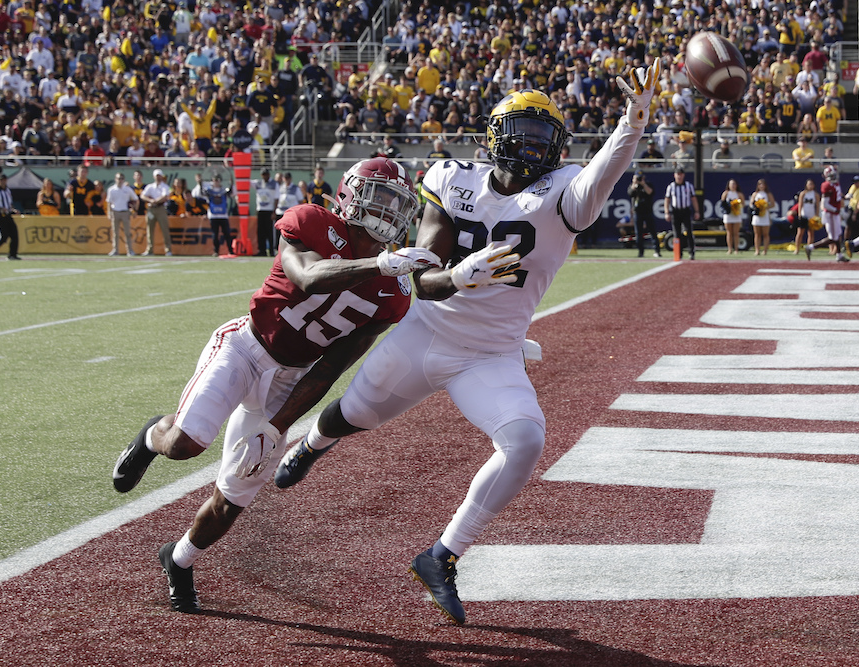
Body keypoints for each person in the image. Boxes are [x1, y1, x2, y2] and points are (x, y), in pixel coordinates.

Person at [273, 68, 662, 626]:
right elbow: (422, 282)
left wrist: (632, 122)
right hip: (427, 331)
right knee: (351, 415)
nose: (530, 146)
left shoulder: (566, 193)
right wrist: (461, 276)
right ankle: (311, 445)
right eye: (521, 132)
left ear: (556, 150)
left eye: (541, 137)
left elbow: (604, 172)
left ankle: (441, 556)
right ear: (495, 134)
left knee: (525, 440)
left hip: (492, 353)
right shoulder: (454, 179)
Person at [112, 157, 438, 614]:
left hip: (291, 379)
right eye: (379, 197)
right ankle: (152, 435)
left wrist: (279, 425)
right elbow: (307, 276)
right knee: (186, 445)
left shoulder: (395, 293)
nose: (387, 212)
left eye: (396, 204)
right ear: (349, 193)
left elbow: (330, 367)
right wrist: (379, 265)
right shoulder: (312, 221)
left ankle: (180, 558)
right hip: (245, 348)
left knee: (234, 495)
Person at [805, 165, 848, 262]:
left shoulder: (836, 184)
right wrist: (836, 210)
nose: (834, 177)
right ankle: (811, 247)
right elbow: (825, 204)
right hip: (830, 214)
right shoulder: (827, 185)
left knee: (837, 235)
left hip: (834, 213)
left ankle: (839, 255)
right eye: (832, 175)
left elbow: (836, 197)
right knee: (833, 237)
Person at [665, 168, 699, 260]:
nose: (679, 176)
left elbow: (693, 199)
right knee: (676, 234)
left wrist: (697, 211)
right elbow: (667, 200)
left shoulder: (688, 186)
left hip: (686, 211)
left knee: (689, 232)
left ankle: (691, 253)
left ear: (683, 175)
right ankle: (678, 254)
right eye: (677, 174)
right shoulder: (671, 186)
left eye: (681, 174)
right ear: (674, 175)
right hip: (675, 212)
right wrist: (667, 212)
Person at [140, 169, 173, 256]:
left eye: (159, 176)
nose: (158, 177)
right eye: (156, 176)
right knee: (149, 229)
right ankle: (150, 250)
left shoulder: (165, 186)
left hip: (161, 208)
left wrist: (155, 201)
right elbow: (142, 195)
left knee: (164, 229)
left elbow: (165, 196)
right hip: (151, 209)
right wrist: (150, 200)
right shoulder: (150, 186)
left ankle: (168, 249)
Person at [106, 172, 138, 256]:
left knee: (127, 232)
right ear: (115, 179)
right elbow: (109, 202)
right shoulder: (111, 189)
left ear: (123, 180)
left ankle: (130, 250)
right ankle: (115, 250)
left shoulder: (127, 189)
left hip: (125, 212)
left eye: (121, 179)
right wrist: (109, 213)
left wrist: (134, 210)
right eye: (118, 178)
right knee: (115, 232)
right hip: (115, 211)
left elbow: (135, 199)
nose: (119, 180)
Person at [627, 171, 659, 258]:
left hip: (648, 211)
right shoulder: (633, 186)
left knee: (652, 231)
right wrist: (634, 183)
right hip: (638, 212)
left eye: (640, 177)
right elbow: (630, 193)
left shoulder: (647, 184)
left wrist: (643, 184)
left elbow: (650, 192)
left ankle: (657, 251)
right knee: (638, 233)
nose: (639, 179)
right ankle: (641, 252)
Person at [251, 168, 279, 256]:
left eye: (266, 174)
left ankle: (271, 250)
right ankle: (261, 250)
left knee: (269, 232)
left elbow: (276, 198)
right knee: (260, 232)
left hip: (269, 210)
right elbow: (247, 181)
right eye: (263, 175)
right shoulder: (258, 183)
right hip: (260, 210)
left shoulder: (274, 184)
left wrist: (274, 211)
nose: (264, 176)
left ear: (269, 175)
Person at [203, 175, 233, 257]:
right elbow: (201, 194)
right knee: (215, 234)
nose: (216, 181)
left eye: (217, 180)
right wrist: (199, 183)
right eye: (214, 180)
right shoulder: (209, 191)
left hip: (223, 215)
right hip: (213, 215)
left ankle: (231, 250)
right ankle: (216, 251)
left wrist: (231, 183)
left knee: (227, 233)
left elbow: (231, 193)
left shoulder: (224, 190)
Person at [750, 179, 775, 256]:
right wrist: (756, 207)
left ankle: (765, 251)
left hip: (765, 215)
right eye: (760, 184)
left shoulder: (768, 194)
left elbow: (773, 204)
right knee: (757, 234)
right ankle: (757, 250)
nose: (761, 186)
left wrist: (765, 207)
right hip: (757, 216)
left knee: (765, 234)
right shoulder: (755, 194)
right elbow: (751, 204)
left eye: (763, 184)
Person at [720, 179, 744, 255]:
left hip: (736, 215)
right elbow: (722, 204)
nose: (733, 186)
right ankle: (730, 249)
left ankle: (736, 249)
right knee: (729, 232)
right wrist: (729, 206)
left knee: (736, 233)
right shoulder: (726, 193)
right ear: (729, 185)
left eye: (734, 184)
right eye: (731, 184)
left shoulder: (739, 194)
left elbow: (743, 204)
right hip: (728, 215)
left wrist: (736, 206)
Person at [796, 179, 819, 254]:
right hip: (804, 215)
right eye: (809, 184)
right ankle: (797, 249)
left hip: (811, 216)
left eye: (812, 184)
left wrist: (816, 216)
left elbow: (817, 206)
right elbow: (800, 204)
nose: (810, 186)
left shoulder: (815, 194)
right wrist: (799, 214)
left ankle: (809, 249)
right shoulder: (803, 193)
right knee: (800, 233)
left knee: (811, 233)